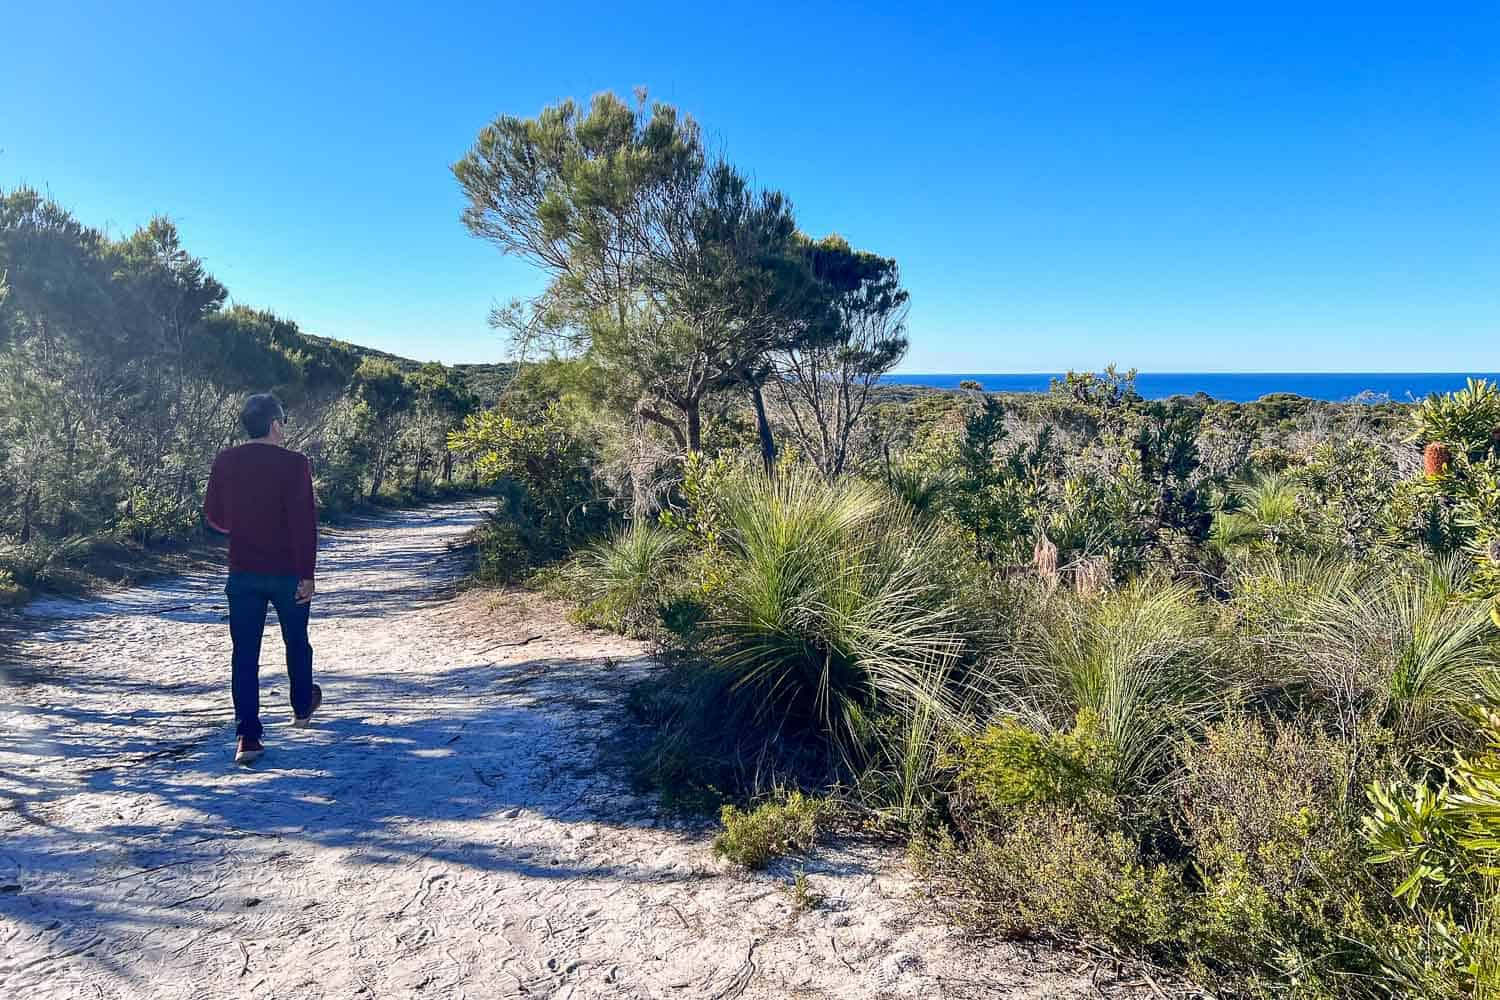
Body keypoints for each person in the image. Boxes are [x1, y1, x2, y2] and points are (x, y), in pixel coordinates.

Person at [204, 393, 322, 764]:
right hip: (288, 571)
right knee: (296, 642)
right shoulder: (295, 464)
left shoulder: (226, 461)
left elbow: (214, 516)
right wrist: (307, 573)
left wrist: (242, 526)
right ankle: (302, 706)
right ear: (274, 424)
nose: (284, 428)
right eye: (283, 420)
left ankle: (248, 737)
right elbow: (304, 522)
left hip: (243, 571)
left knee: (245, 654)